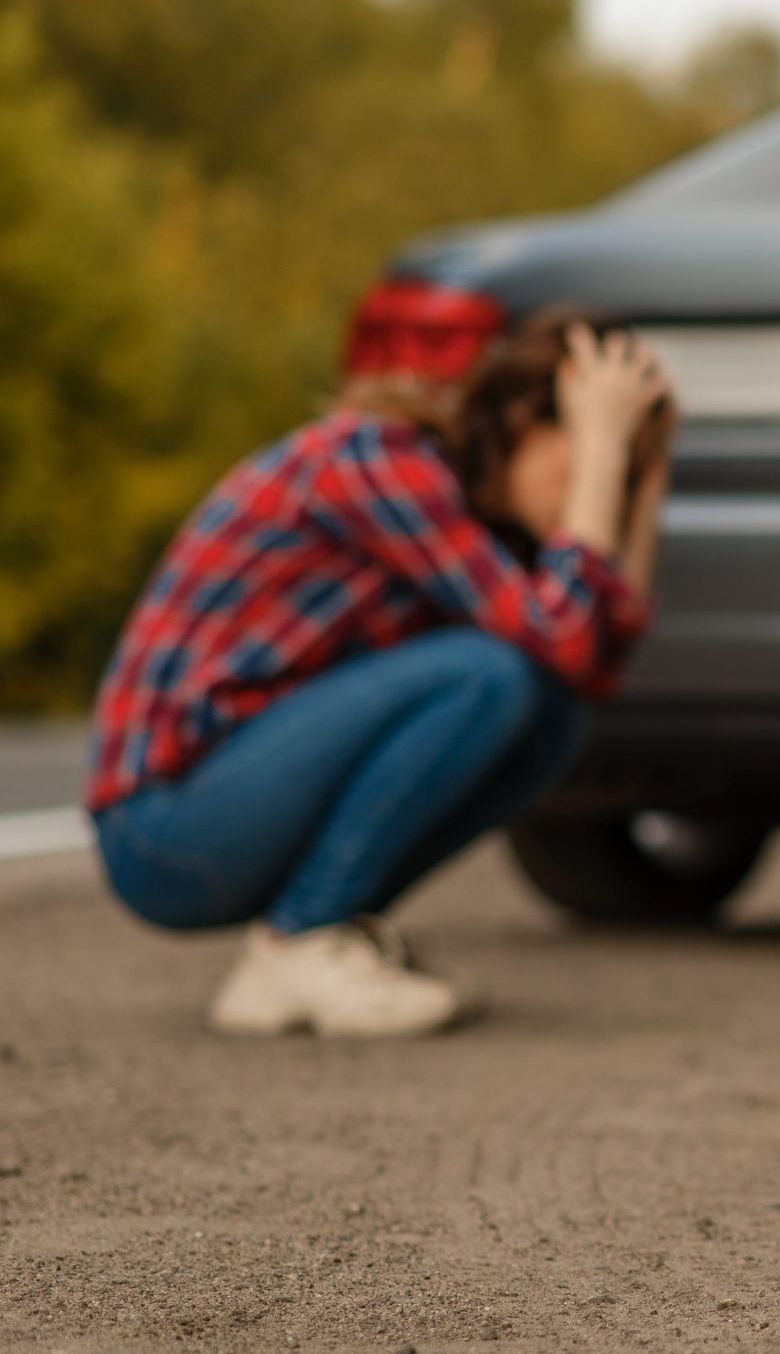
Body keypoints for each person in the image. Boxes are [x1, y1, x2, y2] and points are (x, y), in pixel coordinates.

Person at [86, 309, 675, 1038]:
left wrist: (643, 482)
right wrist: (605, 451)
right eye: (586, 461)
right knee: (490, 675)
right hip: (163, 830)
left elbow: (595, 666)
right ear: (524, 419)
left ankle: (311, 943)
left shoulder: (484, 527)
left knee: (553, 715)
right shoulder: (386, 462)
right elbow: (565, 639)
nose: (597, 498)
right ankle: (303, 938)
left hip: (234, 807)